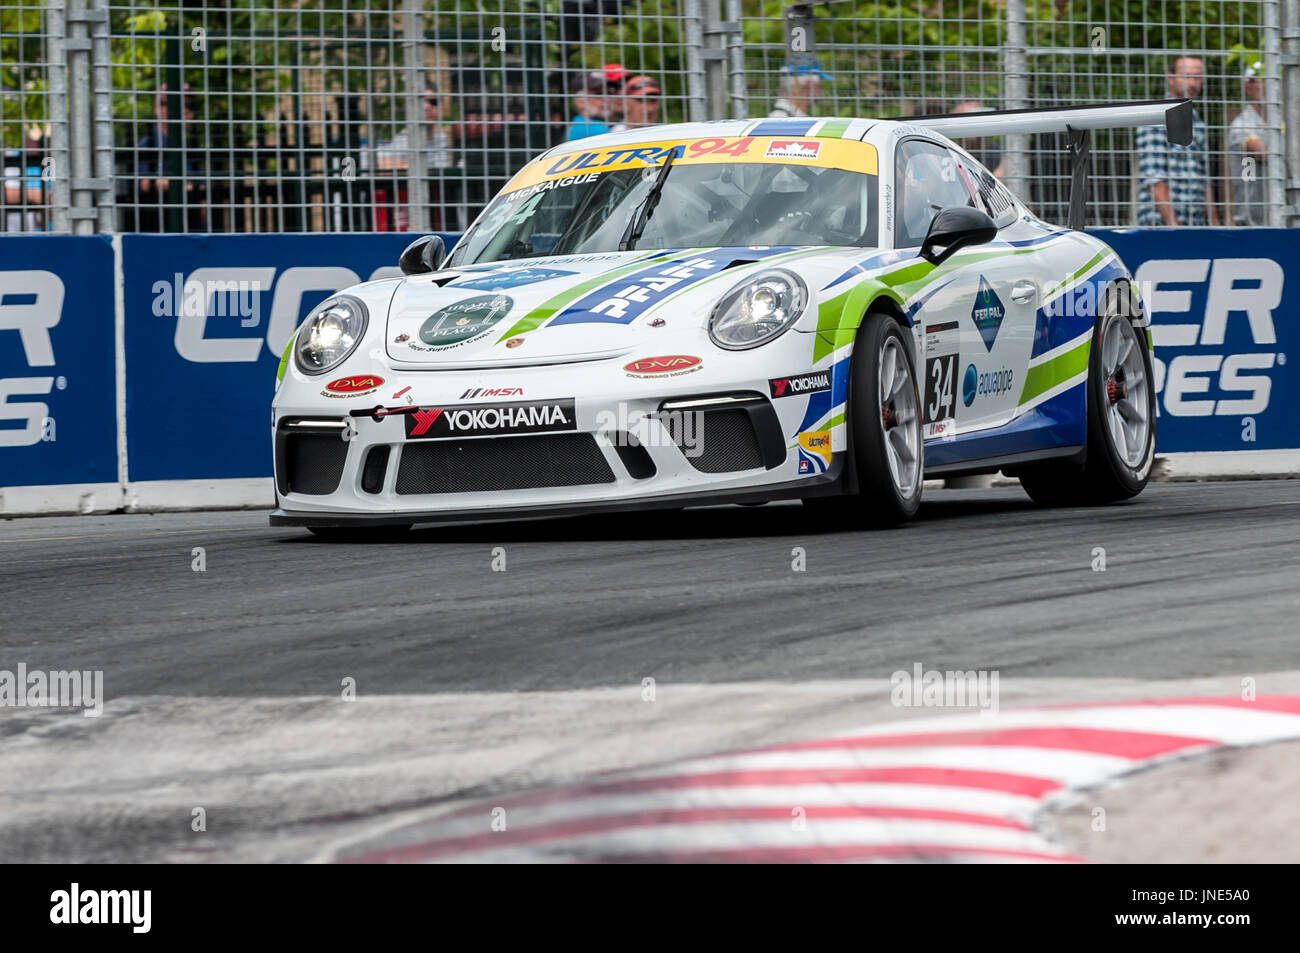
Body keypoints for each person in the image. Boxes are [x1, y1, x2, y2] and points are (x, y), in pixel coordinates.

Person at [1135, 56, 1219, 226]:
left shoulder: (1197, 122)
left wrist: (1215, 226)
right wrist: (1175, 227)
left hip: (1194, 226)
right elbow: (1155, 180)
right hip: (1160, 226)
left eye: (1198, 77)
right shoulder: (1156, 118)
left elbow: (1204, 180)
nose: (1193, 83)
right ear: (1171, 78)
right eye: (1187, 76)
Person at [1226, 59, 1271, 225]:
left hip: (1284, 216)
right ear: (1247, 88)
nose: (1266, 86)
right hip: (1252, 220)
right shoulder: (1242, 124)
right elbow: (1260, 152)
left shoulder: (1284, 122)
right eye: (1260, 80)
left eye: (1270, 79)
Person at [375, 83, 454, 171]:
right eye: (421, 102)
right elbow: (383, 168)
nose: (427, 107)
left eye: (433, 102)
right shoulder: (403, 139)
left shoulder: (442, 140)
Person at [566, 64, 628, 140]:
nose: (606, 99)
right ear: (580, 101)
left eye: (609, 93)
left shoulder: (578, 123)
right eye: (598, 94)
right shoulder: (594, 129)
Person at [951, 101, 1006, 178]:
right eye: (964, 120)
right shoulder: (950, 152)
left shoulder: (998, 152)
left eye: (973, 119)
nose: (970, 125)